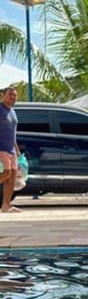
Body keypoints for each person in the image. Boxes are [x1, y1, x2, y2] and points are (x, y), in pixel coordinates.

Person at [0, 85, 21, 213]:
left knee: (12, 177)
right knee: (6, 173)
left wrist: (17, 150)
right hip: (1, 148)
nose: (13, 97)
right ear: (3, 95)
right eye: (10, 94)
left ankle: (6, 205)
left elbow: (12, 132)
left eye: (14, 95)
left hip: (11, 149)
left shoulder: (12, 111)